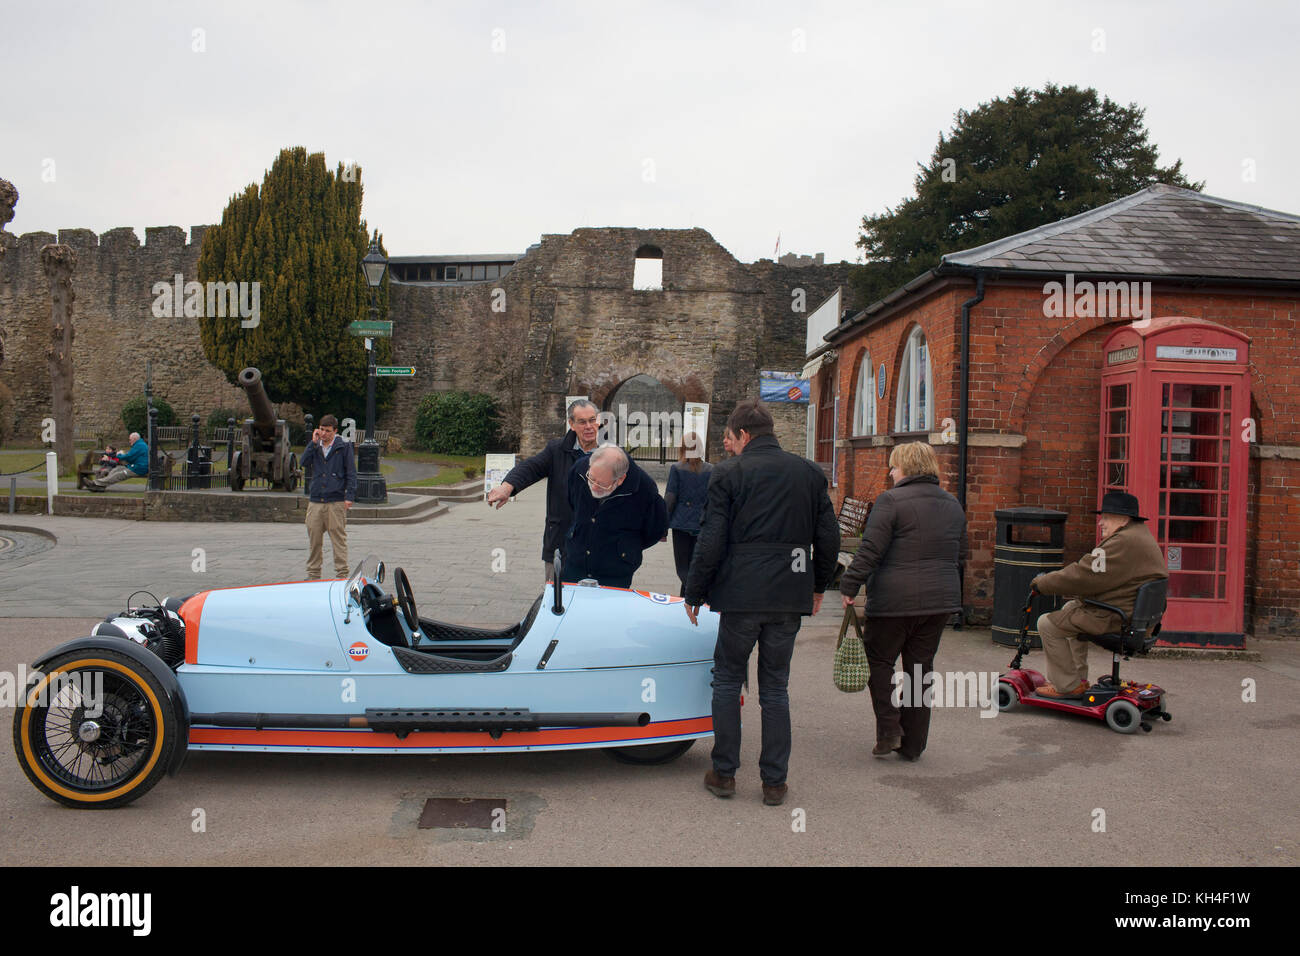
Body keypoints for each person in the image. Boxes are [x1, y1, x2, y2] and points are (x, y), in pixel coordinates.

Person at [684, 400, 839, 806]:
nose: (727, 445)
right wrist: (818, 585)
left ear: (744, 436)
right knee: (775, 687)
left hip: (740, 595)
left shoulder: (727, 474)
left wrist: (694, 591)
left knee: (727, 679)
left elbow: (711, 538)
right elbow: (828, 538)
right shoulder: (808, 473)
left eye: (729, 438)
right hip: (789, 593)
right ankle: (774, 782)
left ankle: (724, 773)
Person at [838, 441, 967, 762]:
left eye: (894, 466)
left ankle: (890, 729)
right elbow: (961, 554)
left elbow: (870, 549)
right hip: (939, 603)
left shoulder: (891, 501)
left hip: (895, 602)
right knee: (920, 669)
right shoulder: (952, 504)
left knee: (878, 661)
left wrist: (849, 583)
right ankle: (913, 744)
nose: (891, 472)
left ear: (907, 468)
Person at [1030, 491, 1168, 698]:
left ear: (1123, 519)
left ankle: (1066, 686)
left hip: (1119, 618)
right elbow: (1102, 577)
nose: (1100, 523)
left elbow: (1082, 576)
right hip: (1135, 616)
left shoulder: (1121, 542)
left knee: (1047, 623)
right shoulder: (1138, 535)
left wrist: (1041, 584)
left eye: (1106, 517)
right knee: (1071, 608)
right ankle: (1078, 679)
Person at [487, 399, 601, 582]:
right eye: (582, 422)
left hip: (599, 546)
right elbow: (531, 467)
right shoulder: (557, 450)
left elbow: (636, 490)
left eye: (592, 420)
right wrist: (506, 487)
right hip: (561, 543)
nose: (589, 426)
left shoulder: (612, 454)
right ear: (571, 424)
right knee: (556, 601)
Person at [563, 445, 667, 588]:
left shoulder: (645, 490)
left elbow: (656, 530)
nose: (593, 486)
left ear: (620, 479)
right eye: (591, 478)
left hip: (615, 574)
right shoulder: (579, 469)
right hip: (575, 564)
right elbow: (571, 502)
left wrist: (627, 547)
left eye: (601, 484)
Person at [299, 414, 356, 580]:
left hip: (335, 500)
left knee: (338, 540)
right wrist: (313, 442)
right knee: (314, 540)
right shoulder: (315, 446)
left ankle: (342, 574)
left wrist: (349, 496)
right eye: (322, 430)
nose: (324, 434)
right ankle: (313, 574)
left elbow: (351, 473)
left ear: (335, 431)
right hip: (316, 500)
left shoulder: (343, 447)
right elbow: (303, 462)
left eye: (328, 431)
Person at [665, 432, 711, 595]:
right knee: (695, 564)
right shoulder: (710, 469)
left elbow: (670, 498)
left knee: (683, 567)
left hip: (681, 524)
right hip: (702, 524)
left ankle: (688, 596)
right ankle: (690, 597)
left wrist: (663, 528)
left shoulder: (676, 469)